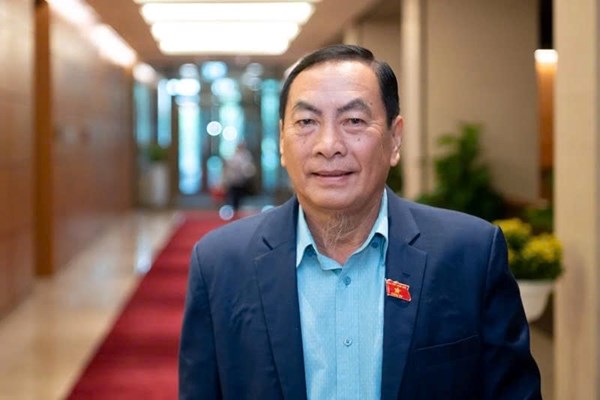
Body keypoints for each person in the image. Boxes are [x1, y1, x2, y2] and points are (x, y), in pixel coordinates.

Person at [179, 44, 541, 399]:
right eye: (306, 122)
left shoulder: (470, 254)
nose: (329, 145)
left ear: (394, 139)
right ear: (282, 142)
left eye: (353, 121)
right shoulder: (220, 264)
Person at [221, 142, 256, 213]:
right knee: (233, 197)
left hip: (241, 181)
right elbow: (228, 169)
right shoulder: (233, 156)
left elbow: (248, 168)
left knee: (239, 197)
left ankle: (237, 209)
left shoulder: (246, 156)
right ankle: (233, 209)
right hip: (233, 181)